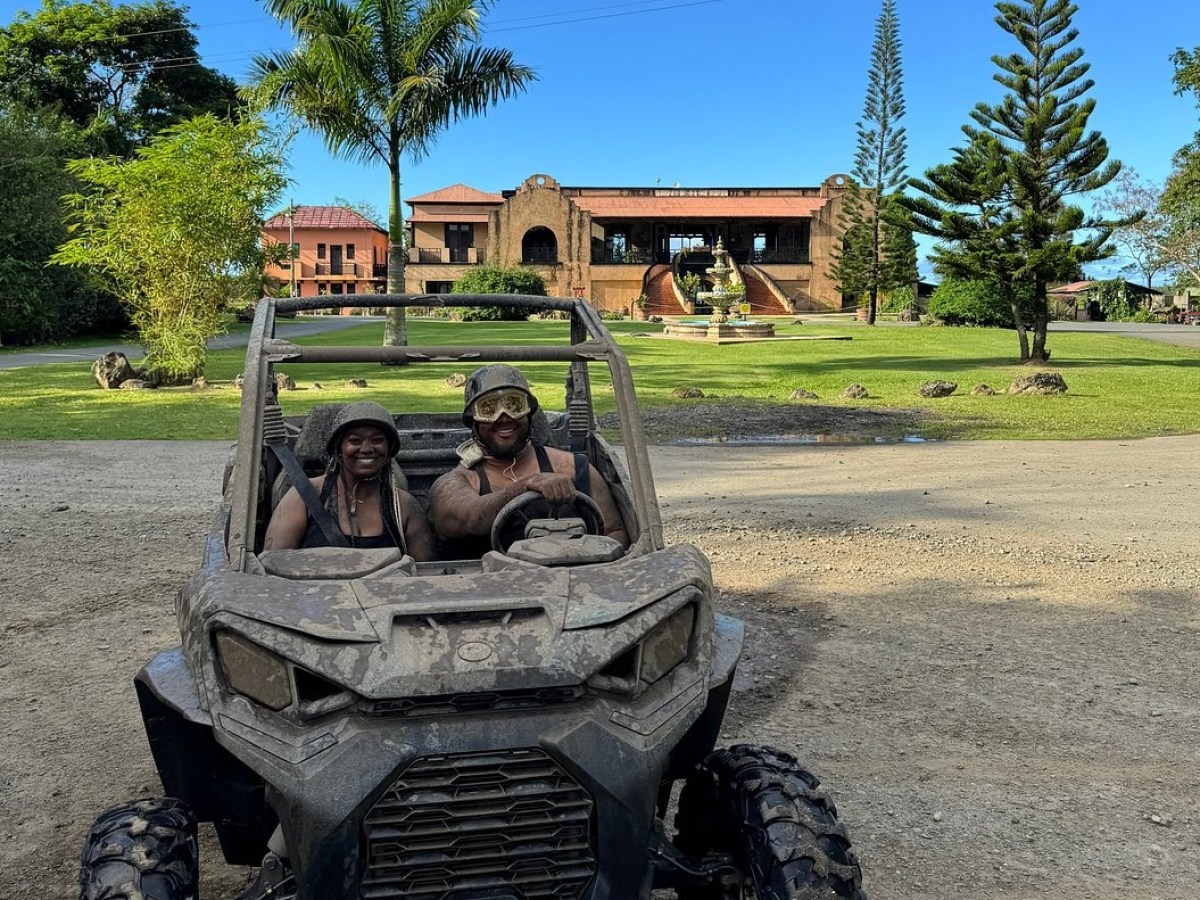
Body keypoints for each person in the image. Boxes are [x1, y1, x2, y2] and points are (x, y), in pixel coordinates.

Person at [429, 365, 630, 556]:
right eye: (489, 408)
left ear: (529, 412)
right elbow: (466, 519)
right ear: (473, 420)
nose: (504, 417)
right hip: (489, 587)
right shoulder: (457, 481)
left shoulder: (574, 467)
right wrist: (526, 486)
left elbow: (615, 533)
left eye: (514, 404)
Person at [263, 401, 436, 559]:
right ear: (339, 449)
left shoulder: (403, 507)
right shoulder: (303, 498)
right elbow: (274, 567)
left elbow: (425, 574)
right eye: (354, 441)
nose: (367, 448)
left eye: (377, 440)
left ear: (389, 449)